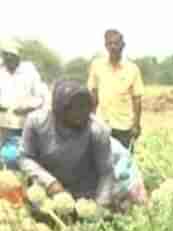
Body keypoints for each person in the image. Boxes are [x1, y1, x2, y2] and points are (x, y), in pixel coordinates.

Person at [20, 80, 113, 208]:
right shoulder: (36, 122)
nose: (81, 113)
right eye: (75, 108)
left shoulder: (97, 130)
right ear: (60, 108)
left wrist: (101, 205)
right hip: (45, 193)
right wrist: (50, 182)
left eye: (85, 107)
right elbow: (25, 157)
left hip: (83, 196)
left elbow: (106, 172)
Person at [87, 29, 144, 151]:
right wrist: (90, 120)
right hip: (102, 124)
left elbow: (137, 99)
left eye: (116, 43)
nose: (112, 47)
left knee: (124, 165)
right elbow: (93, 95)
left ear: (123, 45)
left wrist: (136, 125)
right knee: (100, 163)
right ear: (105, 46)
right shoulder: (97, 66)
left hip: (124, 127)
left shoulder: (133, 69)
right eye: (109, 44)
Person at [0, 39, 49, 167]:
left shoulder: (29, 72)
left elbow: (41, 97)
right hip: (3, 123)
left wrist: (27, 107)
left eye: (11, 56)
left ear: (18, 57)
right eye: (5, 55)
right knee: (5, 157)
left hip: (25, 123)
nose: (8, 59)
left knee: (25, 156)